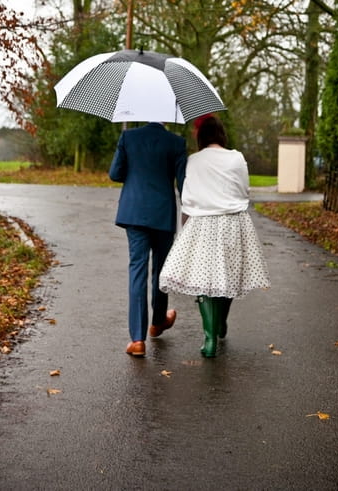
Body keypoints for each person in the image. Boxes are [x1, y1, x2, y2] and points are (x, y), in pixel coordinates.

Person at [159, 114, 270, 358]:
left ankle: (209, 338)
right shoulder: (237, 158)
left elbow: (187, 198)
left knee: (204, 280)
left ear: (200, 136)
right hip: (233, 223)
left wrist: (184, 225)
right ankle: (220, 323)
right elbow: (244, 190)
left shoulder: (193, 161)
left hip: (202, 225)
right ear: (221, 134)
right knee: (228, 276)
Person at [109, 122, 187, 357]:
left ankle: (137, 339)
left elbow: (115, 174)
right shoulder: (176, 143)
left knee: (138, 269)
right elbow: (184, 185)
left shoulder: (128, 138)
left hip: (134, 213)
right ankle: (158, 322)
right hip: (162, 214)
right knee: (161, 270)